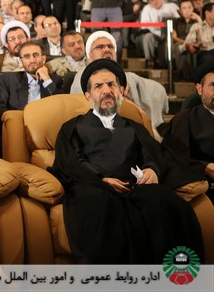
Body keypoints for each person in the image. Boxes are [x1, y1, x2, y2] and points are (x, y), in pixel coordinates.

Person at [52, 59, 204, 263]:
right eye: (98, 86)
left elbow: (155, 154)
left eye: (111, 85)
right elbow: (71, 161)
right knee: (101, 204)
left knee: (165, 200)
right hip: (93, 186)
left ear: (121, 91)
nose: (107, 90)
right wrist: (101, 179)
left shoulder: (134, 126)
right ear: (88, 96)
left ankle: (175, 274)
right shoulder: (73, 127)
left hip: (135, 187)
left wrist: (152, 169)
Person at [163, 60, 214, 202]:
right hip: (204, 191)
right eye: (213, 85)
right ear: (199, 89)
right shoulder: (184, 120)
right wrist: (205, 167)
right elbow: (172, 158)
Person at [0, 41, 63, 110]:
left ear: (43, 59)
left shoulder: (55, 81)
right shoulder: (9, 79)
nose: (32, 60)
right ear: (21, 61)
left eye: (36, 55)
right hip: (20, 116)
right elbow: (0, 109)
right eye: (27, 56)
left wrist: (47, 80)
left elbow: (61, 107)